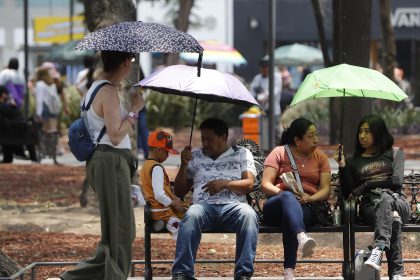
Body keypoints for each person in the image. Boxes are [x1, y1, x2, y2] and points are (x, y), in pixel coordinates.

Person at [60, 50, 144, 280]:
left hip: (107, 161)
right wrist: (135, 112)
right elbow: (116, 135)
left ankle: (75, 277)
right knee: (121, 230)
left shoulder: (97, 87)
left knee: (116, 231)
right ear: (126, 63)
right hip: (110, 161)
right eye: (132, 61)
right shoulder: (107, 91)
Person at [171, 118, 259, 280]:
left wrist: (225, 184)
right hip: (203, 208)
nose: (205, 143)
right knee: (192, 215)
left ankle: (243, 274)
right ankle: (182, 273)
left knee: (249, 215)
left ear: (223, 137)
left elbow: (249, 184)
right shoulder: (195, 156)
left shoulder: (241, 153)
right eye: (203, 138)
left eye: (209, 139)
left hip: (234, 207)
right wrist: (183, 165)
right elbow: (179, 190)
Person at [334, 114, 410, 280]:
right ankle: (396, 274)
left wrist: (367, 185)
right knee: (393, 219)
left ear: (378, 132)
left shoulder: (395, 153)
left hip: (398, 202)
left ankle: (379, 248)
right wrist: (342, 167)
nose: (362, 135)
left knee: (386, 198)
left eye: (367, 131)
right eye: (360, 131)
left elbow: (396, 182)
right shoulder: (353, 160)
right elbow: (349, 192)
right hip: (370, 208)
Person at [260, 117, 331, 280]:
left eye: (316, 135)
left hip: (305, 206)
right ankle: (301, 236)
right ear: (297, 140)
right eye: (310, 136)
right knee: (287, 197)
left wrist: (309, 198)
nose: (316, 139)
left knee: (290, 217)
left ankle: (289, 271)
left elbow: (326, 189)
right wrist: (284, 195)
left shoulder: (320, 157)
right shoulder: (279, 152)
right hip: (276, 206)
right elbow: (265, 184)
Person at [140, 130, 186, 240]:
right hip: (163, 213)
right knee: (185, 234)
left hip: (157, 211)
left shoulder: (146, 165)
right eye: (167, 152)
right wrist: (174, 203)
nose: (168, 155)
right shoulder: (156, 168)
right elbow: (159, 195)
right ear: (158, 149)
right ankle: (183, 257)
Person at [34, 67, 61, 164]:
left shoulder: (40, 84)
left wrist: (38, 113)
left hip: (44, 110)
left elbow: (39, 100)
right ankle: (53, 155)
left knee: (43, 133)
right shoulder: (52, 84)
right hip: (53, 110)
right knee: (53, 132)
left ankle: (42, 154)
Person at [250, 59, 282, 135]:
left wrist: (263, 96)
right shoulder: (257, 78)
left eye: (266, 67)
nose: (265, 69)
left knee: (275, 133)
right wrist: (257, 96)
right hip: (261, 111)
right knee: (263, 133)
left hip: (274, 111)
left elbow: (274, 92)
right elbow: (252, 91)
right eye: (263, 67)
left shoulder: (276, 77)